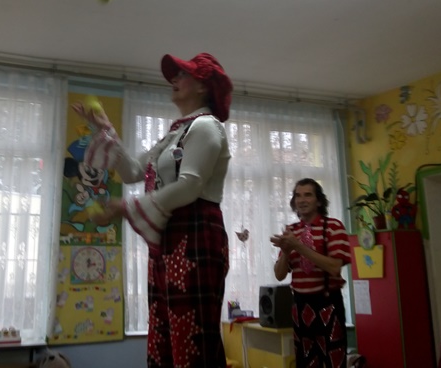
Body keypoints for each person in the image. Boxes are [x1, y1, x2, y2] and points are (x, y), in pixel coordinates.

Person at [72, 52, 233, 368]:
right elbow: (133, 171)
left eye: (183, 74)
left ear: (203, 86)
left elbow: (190, 185)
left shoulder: (206, 127)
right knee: (165, 331)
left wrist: (126, 207)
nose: (174, 79)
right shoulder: (176, 133)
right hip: (169, 236)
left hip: (195, 234)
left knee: (192, 336)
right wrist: (106, 130)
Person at [270, 178, 351, 368]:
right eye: (298, 196)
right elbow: (279, 275)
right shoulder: (291, 231)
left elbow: (334, 267)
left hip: (328, 305)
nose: (302, 200)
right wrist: (286, 252)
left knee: (333, 361)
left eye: (308, 195)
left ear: (319, 201)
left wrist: (298, 246)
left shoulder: (333, 226)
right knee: (305, 362)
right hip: (300, 307)